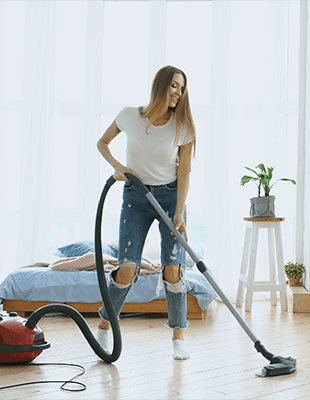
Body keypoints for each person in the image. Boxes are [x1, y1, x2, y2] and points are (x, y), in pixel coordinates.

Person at [96, 65, 196, 360]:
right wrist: (117, 166)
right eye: (174, 86)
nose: (178, 93)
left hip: (169, 198)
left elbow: (185, 171)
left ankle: (178, 335)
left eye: (182, 88)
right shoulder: (129, 115)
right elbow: (102, 143)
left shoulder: (183, 126)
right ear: (160, 86)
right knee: (127, 268)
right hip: (136, 198)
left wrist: (179, 212)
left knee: (173, 269)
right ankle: (105, 324)